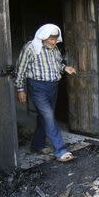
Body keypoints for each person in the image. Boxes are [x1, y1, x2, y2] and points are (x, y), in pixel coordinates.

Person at [15, 23, 77, 162]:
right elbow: (20, 69)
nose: (54, 42)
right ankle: (61, 151)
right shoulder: (30, 48)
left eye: (55, 39)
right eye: (51, 39)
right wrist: (20, 89)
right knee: (49, 116)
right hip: (37, 87)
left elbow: (57, 63)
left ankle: (37, 145)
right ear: (43, 37)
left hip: (53, 87)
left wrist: (65, 68)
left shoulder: (54, 48)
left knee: (45, 117)